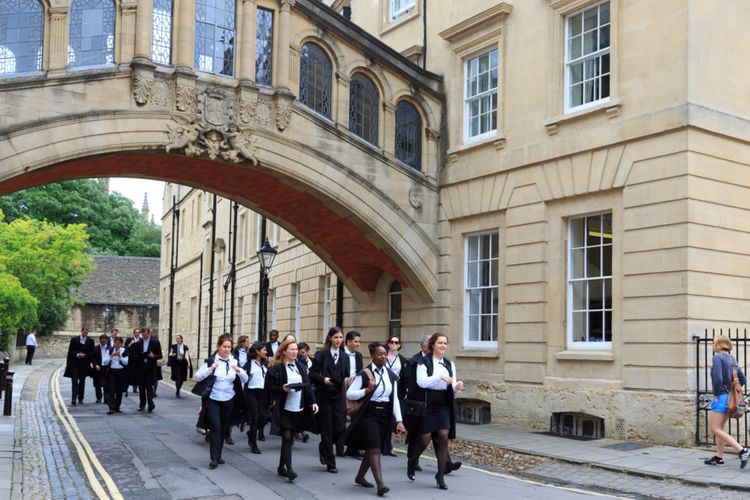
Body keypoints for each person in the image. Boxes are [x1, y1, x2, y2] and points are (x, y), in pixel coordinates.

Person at [342, 342, 406, 497]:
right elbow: (350, 394)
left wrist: (399, 420)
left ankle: (360, 476)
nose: (383, 357)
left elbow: (395, 399)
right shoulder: (365, 374)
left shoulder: (390, 374)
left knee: (372, 448)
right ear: (372, 355)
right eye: (379, 354)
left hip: (385, 415)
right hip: (368, 414)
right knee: (375, 448)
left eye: (384, 354)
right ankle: (381, 485)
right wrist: (367, 390)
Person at [408, 333, 463, 490]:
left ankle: (440, 476)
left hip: (443, 404)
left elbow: (451, 386)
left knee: (443, 436)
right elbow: (422, 382)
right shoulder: (423, 361)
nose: (443, 346)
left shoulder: (449, 364)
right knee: (424, 440)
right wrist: (439, 377)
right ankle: (412, 461)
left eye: (445, 343)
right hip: (428, 404)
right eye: (440, 343)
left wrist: (457, 387)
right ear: (433, 345)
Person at [266, 338, 319, 481]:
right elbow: (269, 387)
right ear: (284, 352)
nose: (295, 352)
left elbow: (307, 385)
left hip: (298, 407)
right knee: (287, 436)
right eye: (292, 349)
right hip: (284, 407)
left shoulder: (300, 366)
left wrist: (313, 402)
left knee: (288, 439)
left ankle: (281, 467)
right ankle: (289, 469)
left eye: (296, 349)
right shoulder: (276, 367)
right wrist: (282, 389)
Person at [194, 334, 250, 469]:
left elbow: (245, 379)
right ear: (219, 347)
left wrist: (239, 370)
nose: (226, 349)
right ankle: (214, 458)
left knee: (223, 428)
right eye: (224, 346)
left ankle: (218, 455)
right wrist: (211, 369)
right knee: (215, 427)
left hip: (229, 399)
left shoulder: (234, 361)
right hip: (213, 399)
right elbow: (197, 377)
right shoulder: (211, 360)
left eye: (229, 347)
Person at [705, 335, 750, 468]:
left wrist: (715, 393)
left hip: (720, 397)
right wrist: (732, 390)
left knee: (714, 428)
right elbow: (743, 379)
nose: (712, 346)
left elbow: (718, 378)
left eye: (713, 343)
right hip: (729, 398)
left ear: (719, 344)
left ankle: (742, 451)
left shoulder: (717, 357)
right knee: (720, 429)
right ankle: (719, 458)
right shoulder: (731, 358)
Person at [310, 326, 347, 472]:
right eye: (336, 337)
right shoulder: (322, 354)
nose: (338, 340)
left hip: (338, 397)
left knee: (339, 428)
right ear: (330, 338)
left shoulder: (344, 356)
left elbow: (347, 375)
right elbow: (312, 374)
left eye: (340, 337)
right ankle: (331, 463)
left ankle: (322, 447)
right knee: (327, 430)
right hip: (324, 397)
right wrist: (323, 379)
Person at [131, 327, 162, 412]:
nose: (144, 336)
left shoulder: (155, 342)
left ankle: (151, 404)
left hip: (150, 367)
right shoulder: (138, 343)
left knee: (149, 387)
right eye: (142, 334)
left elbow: (160, 355)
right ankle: (142, 405)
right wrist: (141, 355)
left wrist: (153, 356)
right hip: (141, 368)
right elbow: (134, 355)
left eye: (145, 334)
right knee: (141, 387)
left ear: (149, 333)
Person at [245, 341, 268, 454]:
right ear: (258, 351)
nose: (266, 352)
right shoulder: (249, 364)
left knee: (263, 418)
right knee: (255, 418)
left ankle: (251, 434)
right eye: (264, 350)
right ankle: (254, 444)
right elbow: (244, 379)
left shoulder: (265, 363)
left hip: (263, 394)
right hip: (252, 393)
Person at [64, 327, 94, 405]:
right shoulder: (74, 339)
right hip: (75, 363)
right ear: (81, 331)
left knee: (82, 381)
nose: (86, 332)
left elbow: (92, 353)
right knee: (74, 381)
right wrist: (78, 354)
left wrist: (85, 355)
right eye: (84, 331)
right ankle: (74, 398)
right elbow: (70, 351)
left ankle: (80, 398)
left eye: (87, 331)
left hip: (84, 364)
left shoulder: (91, 341)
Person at [105, 337, 129, 414]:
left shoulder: (124, 350)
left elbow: (126, 362)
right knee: (111, 389)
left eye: (119, 343)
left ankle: (117, 407)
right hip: (112, 371)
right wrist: (111, 355)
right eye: (116, 343)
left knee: (119, 390)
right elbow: (105, 362)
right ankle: (111, 408)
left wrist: (120, 356)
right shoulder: (110, 350)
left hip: (121, 372)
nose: (117, 344)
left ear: (121, 344)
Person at [91, 334, 111, 404]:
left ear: (107, 341)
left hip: (106, 368)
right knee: (97, 384)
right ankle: (99, 398)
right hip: (98, 368)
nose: (103, 343)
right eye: (102, 341)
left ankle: (106, 398)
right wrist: (95, 365)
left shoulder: (110, 348)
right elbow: (93, 358)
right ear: (99, 341)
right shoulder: (96, 348)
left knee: (106, 384)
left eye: (104, 341)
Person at [125, 328, 142, 395]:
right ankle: (126, 388)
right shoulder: (129, 339)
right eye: (136, 332)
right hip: (131, 359)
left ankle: (135, 388)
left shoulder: (141, 340)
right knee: (130, 373)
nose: (137, 333)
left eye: (138, 332)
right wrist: (130, 344)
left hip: (138, 359)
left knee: (137, 374)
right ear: (134, 333)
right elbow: (125, 348)